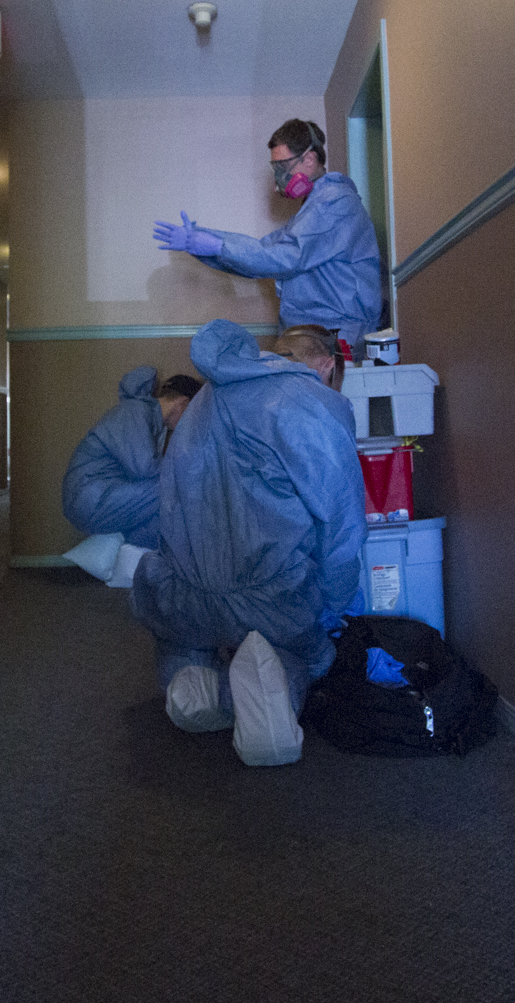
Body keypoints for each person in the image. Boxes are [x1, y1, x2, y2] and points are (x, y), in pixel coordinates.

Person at [131, 319, 366, 766]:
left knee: (183, 641)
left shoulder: (206, 398)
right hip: (273, 598)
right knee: (309, 654)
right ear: (325, 364)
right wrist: (338, 597)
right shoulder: (310, 402)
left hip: (185, 593)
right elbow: (340, 522)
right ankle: (267, 690)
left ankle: (190, 677)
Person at [151, 118, 384, 350]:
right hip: (315, 334)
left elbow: (284, 258)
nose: (278, 180)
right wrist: (201, 240)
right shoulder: (311, 212)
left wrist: (217, 246)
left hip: (336, 335)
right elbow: (262, 254)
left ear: (310, 159)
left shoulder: (335, 202)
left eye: (282, 167)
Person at [60, 369, 200, 587]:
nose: (189, 423)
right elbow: (145, 470)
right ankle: (166, 571)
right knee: (177, 487)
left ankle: (138, 571)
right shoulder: (135, 412)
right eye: (192, 413)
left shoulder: (148, 418)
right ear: (182, 402)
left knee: (162, 511)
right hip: (88, 497)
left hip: (98, 495)